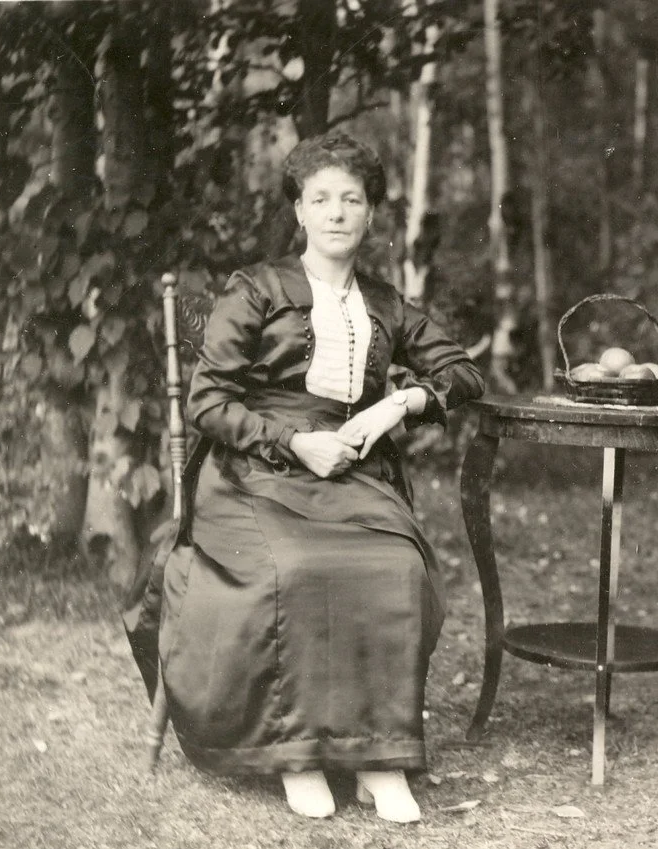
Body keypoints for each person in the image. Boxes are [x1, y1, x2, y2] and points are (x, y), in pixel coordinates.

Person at [126, 132, 484, 822]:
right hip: (252, 475)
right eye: (320, 198)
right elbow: (208, 402)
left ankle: (378, 757)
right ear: (299, 210)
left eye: (352, 199)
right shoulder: (257, 290)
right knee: (295, 565)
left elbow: (461, 370)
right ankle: (300, 752)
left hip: (351, 477)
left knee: (394, 564)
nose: (337, 212)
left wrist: (398, 404)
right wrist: (295, 440)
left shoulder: (386, 302)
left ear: (371, 213)